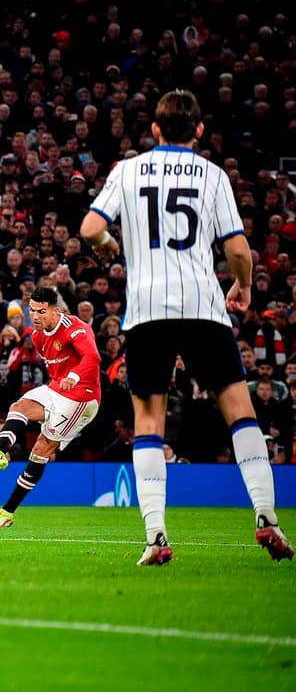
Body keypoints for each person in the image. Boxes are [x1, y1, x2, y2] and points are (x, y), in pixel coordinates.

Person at [79, 89, 292, 564]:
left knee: (149, 423)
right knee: (240, 412)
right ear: (198, 131)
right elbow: (239, 251)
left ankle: (156, 535)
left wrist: (108, 248)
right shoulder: (213, 176)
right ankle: (265, 515)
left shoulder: (128, 170)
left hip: (147, 311)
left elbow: (91, 229)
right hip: (202, 306)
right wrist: (243, 287)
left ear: (154, 130)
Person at [0, 288, 101, 527]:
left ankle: (6, 513)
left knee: (41, 449)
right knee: (19, 406)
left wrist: (73, 375)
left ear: (56, 310)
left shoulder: (75, 327)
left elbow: (92, 358)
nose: (36, 316)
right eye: (32, 311)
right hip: (57, 389)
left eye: (42, 311)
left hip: (83, 397)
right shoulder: (38, 336)